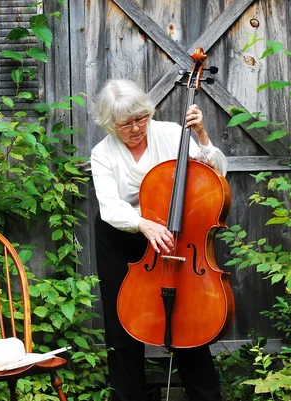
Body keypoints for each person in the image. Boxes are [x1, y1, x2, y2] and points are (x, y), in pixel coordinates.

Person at [90, 79, 228, 401]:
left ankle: (206, 397)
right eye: (127, 124)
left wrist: (202, 137)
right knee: (122, 320)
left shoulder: (169, 133)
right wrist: (142, 224)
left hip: (174, 235)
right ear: (111, 124)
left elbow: (216, 173)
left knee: (183, 317)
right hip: (122, 235)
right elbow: (110, 207)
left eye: (141, 118)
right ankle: (129, 396)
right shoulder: (102, 153)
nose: (137, 128)